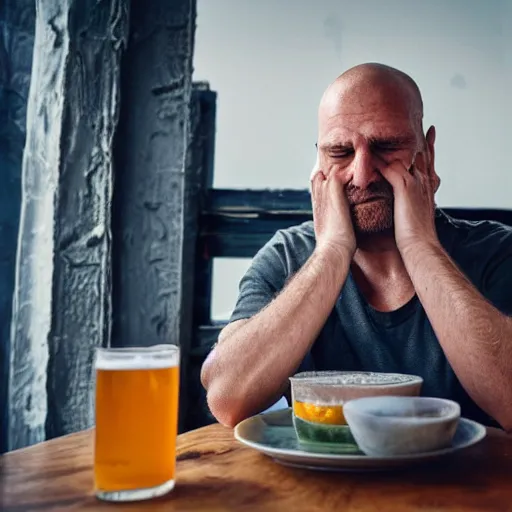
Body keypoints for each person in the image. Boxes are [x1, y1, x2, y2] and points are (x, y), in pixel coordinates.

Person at [200, 63, 512, 431]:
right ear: (318, 161)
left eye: (387, 147)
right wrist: (331, 251)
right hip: (322, 486)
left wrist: (418, 245)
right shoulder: (287, 256)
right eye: (340, 152)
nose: (362, 175)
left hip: (467, 486)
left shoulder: (497, 251)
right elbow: (226, 397)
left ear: (427, 153)